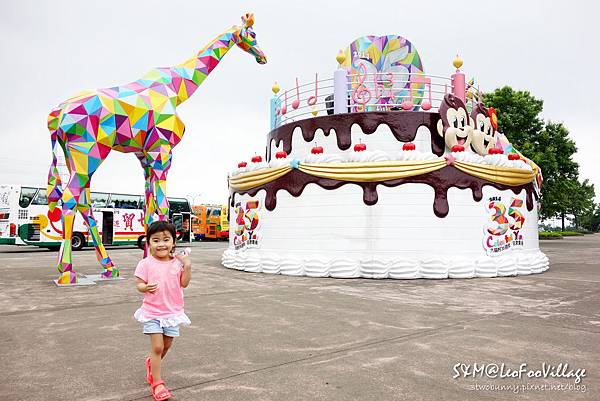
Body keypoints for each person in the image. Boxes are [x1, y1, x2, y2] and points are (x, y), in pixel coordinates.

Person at [134, 220, 192, 401]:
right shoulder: (146, 263)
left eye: (166, 240)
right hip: (152, 312)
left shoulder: (177, 263)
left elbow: (184, 283)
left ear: (174, 242)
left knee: (166, 346)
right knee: (157, 347)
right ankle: (157, 383)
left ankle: (151, 364)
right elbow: (139, 284)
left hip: (172, 312)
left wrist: (187, 266)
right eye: (156, 240)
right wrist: (145, 287)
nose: (161, 244)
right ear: (149, 243)